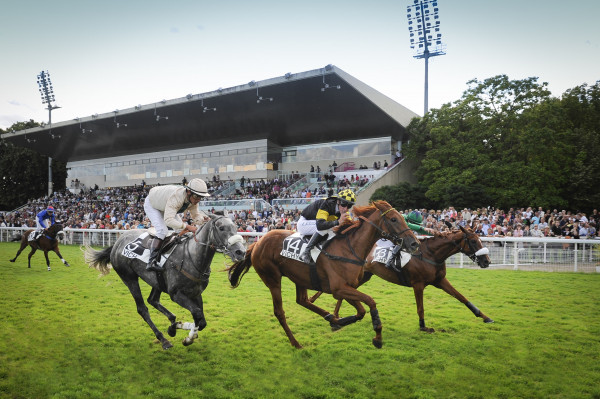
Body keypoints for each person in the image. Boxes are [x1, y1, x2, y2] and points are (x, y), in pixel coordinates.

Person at [143, 178, 211, 272]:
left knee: (180, 231)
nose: (197, 200)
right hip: (153, 204)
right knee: (162, 231)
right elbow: (168, 221)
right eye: (196, 196)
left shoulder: (193, 199)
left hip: (165, 204)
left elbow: (195, 216)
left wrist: (204, 219)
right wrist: (187, 226)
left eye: (200, 197)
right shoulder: (177, 197)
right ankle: (151, 262)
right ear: (188, 192)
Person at [297, 189, 355, 263]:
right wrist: (338, 222)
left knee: (334, 228)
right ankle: (306, 252)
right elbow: (320, 225)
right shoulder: (327, 203)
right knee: (328, 227)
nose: (346, 209)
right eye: (343, 204)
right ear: (338, 201)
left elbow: (349, 228)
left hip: (316, 223)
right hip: (304, 223)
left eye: (349, 206)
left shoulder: (344, 211)